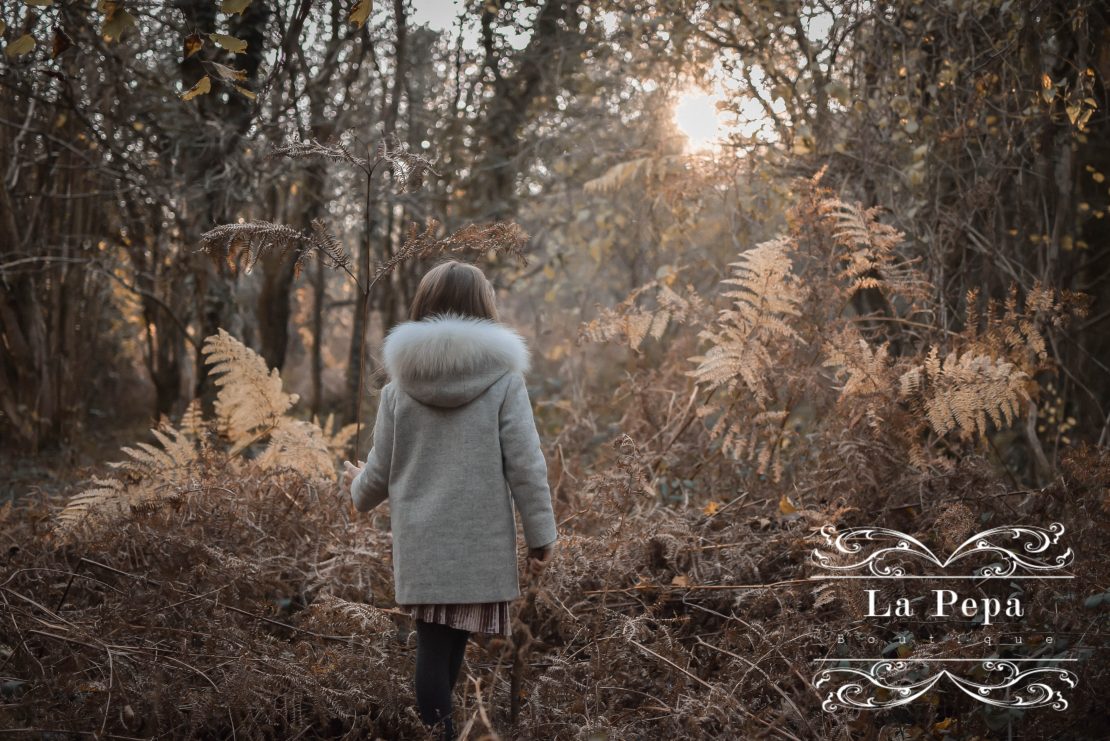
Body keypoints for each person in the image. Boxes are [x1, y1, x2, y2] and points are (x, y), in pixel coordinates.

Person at [342, 259, 559, 740]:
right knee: (440, 653)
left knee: (439, 650)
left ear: (423, 310)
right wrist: (541, 534)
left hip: (423, 544)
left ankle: (439, 733)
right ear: (484, 311)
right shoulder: (503, 382)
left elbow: (379, 473)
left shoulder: (398, 391)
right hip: (479, 543)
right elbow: (526, 465)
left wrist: (356, 488)